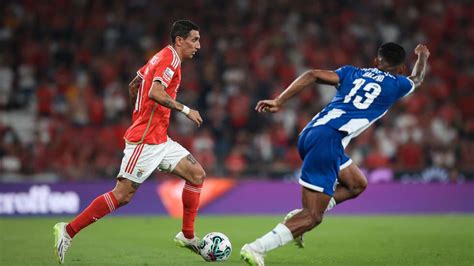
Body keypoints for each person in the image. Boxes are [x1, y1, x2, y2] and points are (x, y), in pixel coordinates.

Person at [240, 43, 430, 266]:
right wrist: (423, 56)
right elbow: (416, 78)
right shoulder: (398, 84)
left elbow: (311, 74)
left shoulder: (351, 72)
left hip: (311, 133)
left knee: (357, 184)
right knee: (313, 217)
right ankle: (256, 248)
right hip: (329, 140)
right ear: (400, 68)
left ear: (376, 62)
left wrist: (279, 100)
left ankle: (299, 217)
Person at [53, 20, 206, 264]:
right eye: (195, 39)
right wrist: (186, 110)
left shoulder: (160, 56)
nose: (198, 45)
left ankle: (187, 235)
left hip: (159, 138)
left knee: (196, 174)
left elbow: (134, 83)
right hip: (145, 140)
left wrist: (140, 108)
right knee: (122, 195)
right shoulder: (171, 60)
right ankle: (68, 231)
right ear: (180, 40)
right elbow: (155, 92)